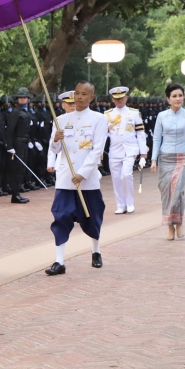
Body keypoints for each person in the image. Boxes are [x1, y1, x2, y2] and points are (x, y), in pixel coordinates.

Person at [45, 82, 107, 276]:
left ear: (92, 98)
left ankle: (95, 251)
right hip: (65, 177)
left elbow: (97, 150)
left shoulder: (99, 119)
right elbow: (54, 150)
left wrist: (83, 173)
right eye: (77, 93)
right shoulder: (62, 119)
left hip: (87, 179)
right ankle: (59, 261)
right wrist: (56, 139)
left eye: (84, 94)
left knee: (92, 216)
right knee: (61, 216)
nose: (80, 97)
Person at [151, 83, 185, 240]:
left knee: (177, 190)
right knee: (166, 192)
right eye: (174, 96)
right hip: (165, 157)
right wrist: (153, 159)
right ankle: (170, 226)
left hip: (182, 157)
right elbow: (157, 138)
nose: (178, 98)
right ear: (168, 99)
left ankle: (179, 223)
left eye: (180, 95)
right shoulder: (162, 116)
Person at [105, 86, 148, 214]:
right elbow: (102, 134)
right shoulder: (107, 115)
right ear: (113, 99)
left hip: (130, 149)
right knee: (116, 178)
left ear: (126, 98)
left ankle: (130, 203)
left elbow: (140, 133)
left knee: (126, 175)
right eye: (117, 99)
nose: (119, 101)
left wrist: (143, 153)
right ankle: (120, 205)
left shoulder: (134, 113)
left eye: (122, 98)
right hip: (115, 150)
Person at [5, 88, 32, 203]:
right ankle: (14, 194)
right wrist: (10, 146)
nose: (23, 99)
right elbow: (10, 130)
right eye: (20, 97)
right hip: (17, 143)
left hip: (24, 142)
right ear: (17, 99)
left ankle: (17, 192)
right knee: (17, 169)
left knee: (22, 169)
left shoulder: (26, 111)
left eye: (24, 97)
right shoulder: (16, 112)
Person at [47, 91, 75, 174]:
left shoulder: (86, 119)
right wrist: (51, 162)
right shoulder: (59, 120)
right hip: (63, 160)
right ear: (63, 105)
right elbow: (53, 140)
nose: (72, 105)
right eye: (69, 103)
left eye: (74, 103)